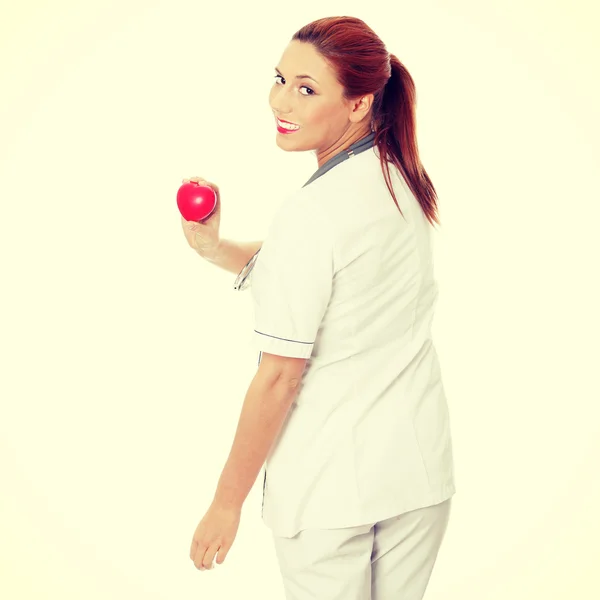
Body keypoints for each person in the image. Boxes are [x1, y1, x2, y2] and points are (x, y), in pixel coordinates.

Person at [184, 15, 456, 600]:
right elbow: (330, 274)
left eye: (307, 89)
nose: (281, 101)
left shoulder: (311, 214)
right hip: (417, 476)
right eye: (279, 79)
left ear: (358, 104)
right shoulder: (400, 179)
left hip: (332, 490)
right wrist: (216, 249)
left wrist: (224, 503)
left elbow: (279, 376)